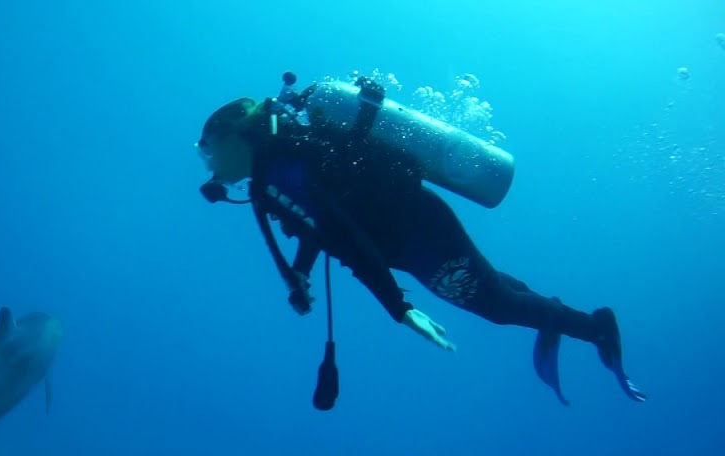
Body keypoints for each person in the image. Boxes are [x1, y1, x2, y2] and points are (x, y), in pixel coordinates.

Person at [195, 76, 645, 405]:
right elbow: (320, 224)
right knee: (492, 291)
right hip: (411, 235)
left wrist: (400, 308)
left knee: (498, 307)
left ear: (234, 138)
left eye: (209, 149)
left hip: (416, 234)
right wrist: (303, 269)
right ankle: (553, 312)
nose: (209, 164)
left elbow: (343, 234)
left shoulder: (279, 172)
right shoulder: (276, 172)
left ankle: (595, 327)